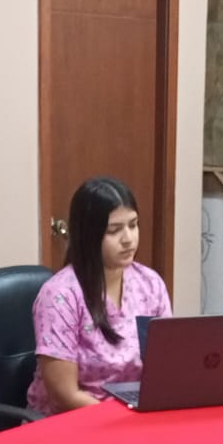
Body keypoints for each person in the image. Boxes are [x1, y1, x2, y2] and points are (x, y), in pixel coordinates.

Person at [27, 176, 172, 415]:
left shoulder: (150, 283)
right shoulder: (61, 295)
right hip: (75, 420)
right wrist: (122, 419)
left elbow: (165, 364)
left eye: (133, 225)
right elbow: (64, 395)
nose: (128, 239)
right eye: (114, 231)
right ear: (88, 234)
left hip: (134, 413)